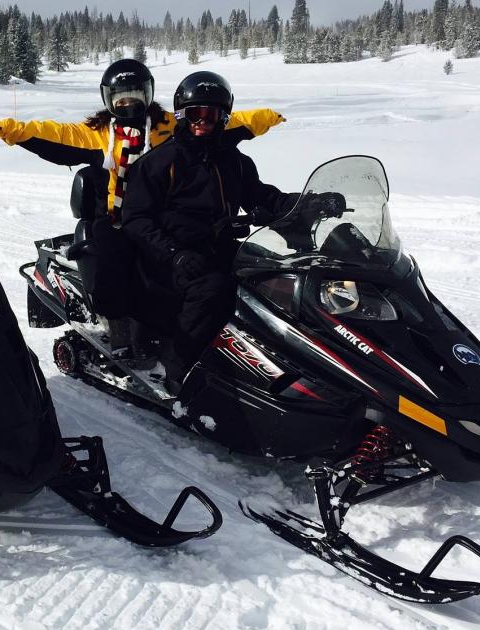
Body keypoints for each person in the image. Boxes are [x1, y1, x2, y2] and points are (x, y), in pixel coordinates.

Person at [122, 71, 343, 391]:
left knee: (275, 276)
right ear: (182, 115)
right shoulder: (158, 163)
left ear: (223, 118)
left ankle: (280, 357)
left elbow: (265, 197)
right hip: (168, 256)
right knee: (212, 289)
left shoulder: (233, 161)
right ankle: (178, 367)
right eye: (196, 114)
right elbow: (136, 220)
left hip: (218, 245)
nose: (203, 122)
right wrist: (175, 254)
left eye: (211, 115)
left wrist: (310, 203)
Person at [0, 59, 286, 224]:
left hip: (165, 221)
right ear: (108, 100)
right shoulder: (98, 133)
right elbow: (56, 135)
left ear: (148, 93)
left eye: (135, 97)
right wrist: (12, 129)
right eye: (120, 99)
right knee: (110, 280)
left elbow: (222, 121)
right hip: (116, 220)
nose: (128, 105)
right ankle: (118, 338)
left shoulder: (170, 126)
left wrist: (267, 117)